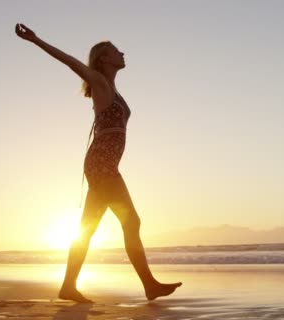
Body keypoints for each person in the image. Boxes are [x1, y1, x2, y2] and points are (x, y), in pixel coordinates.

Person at [15, 23, 182, 303]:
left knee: (88, 229)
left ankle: (69, 286)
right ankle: (149, 285)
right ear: (105, 58)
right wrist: (35, 40)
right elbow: (69, 61)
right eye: (117, 51)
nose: (122, 53)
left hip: (103, 165)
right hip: (102, 166)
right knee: (131, 222)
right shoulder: (100, 82)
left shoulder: (113, 89)